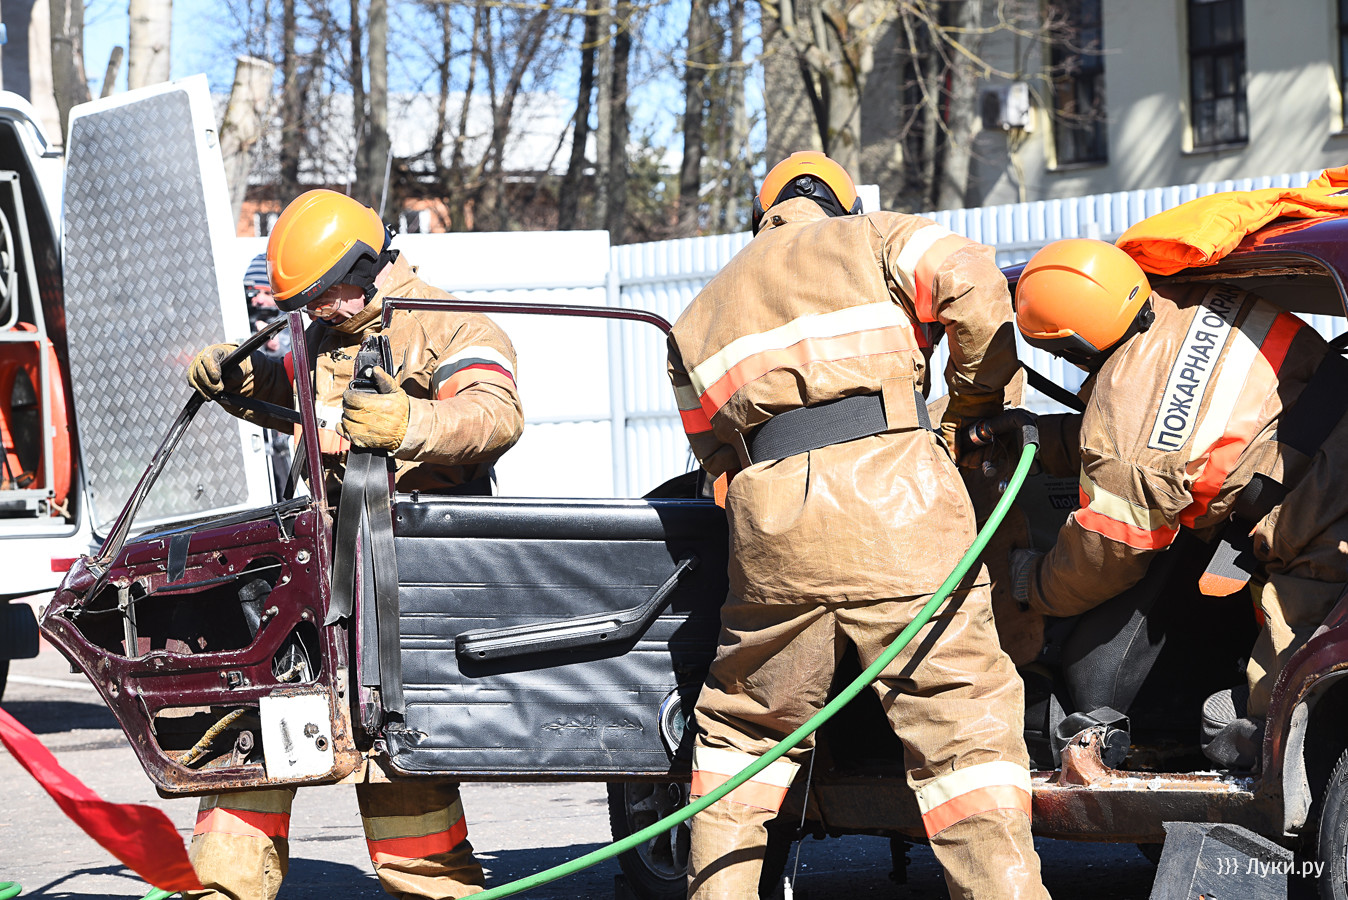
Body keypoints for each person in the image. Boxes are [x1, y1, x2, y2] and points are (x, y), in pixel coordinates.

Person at [667, 151, 1047, 899]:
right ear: (843, 203)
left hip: (772, 526)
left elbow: (713, 454)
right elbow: (973, 281)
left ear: (763, 215)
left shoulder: (698, 312)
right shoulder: (879, 236)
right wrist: (974, 406)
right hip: (898, 506)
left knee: (743, 736)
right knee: (963, 734)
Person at [185, 189, 524, 899]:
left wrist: (411, 424)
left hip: (407, 581)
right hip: (319, 575)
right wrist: (240, 378)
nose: (314, 311)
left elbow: (495, 414)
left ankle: (433, 888)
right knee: (262, 725)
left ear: (364, 267)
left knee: (396, 749)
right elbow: (297, 394)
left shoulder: (449, 325)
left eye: (321, 295)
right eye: (303, 302)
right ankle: (222, 886)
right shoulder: (325, 335)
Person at [1009, 237, 1348, 770]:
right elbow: (1177, 431)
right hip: (1326, 441)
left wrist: (1028, 582)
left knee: (1266, 721)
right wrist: (1037, 438)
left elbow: (1107, 556)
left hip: (1320, 522)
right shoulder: (1192, 296)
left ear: (1068, 348)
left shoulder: (1123, 435)